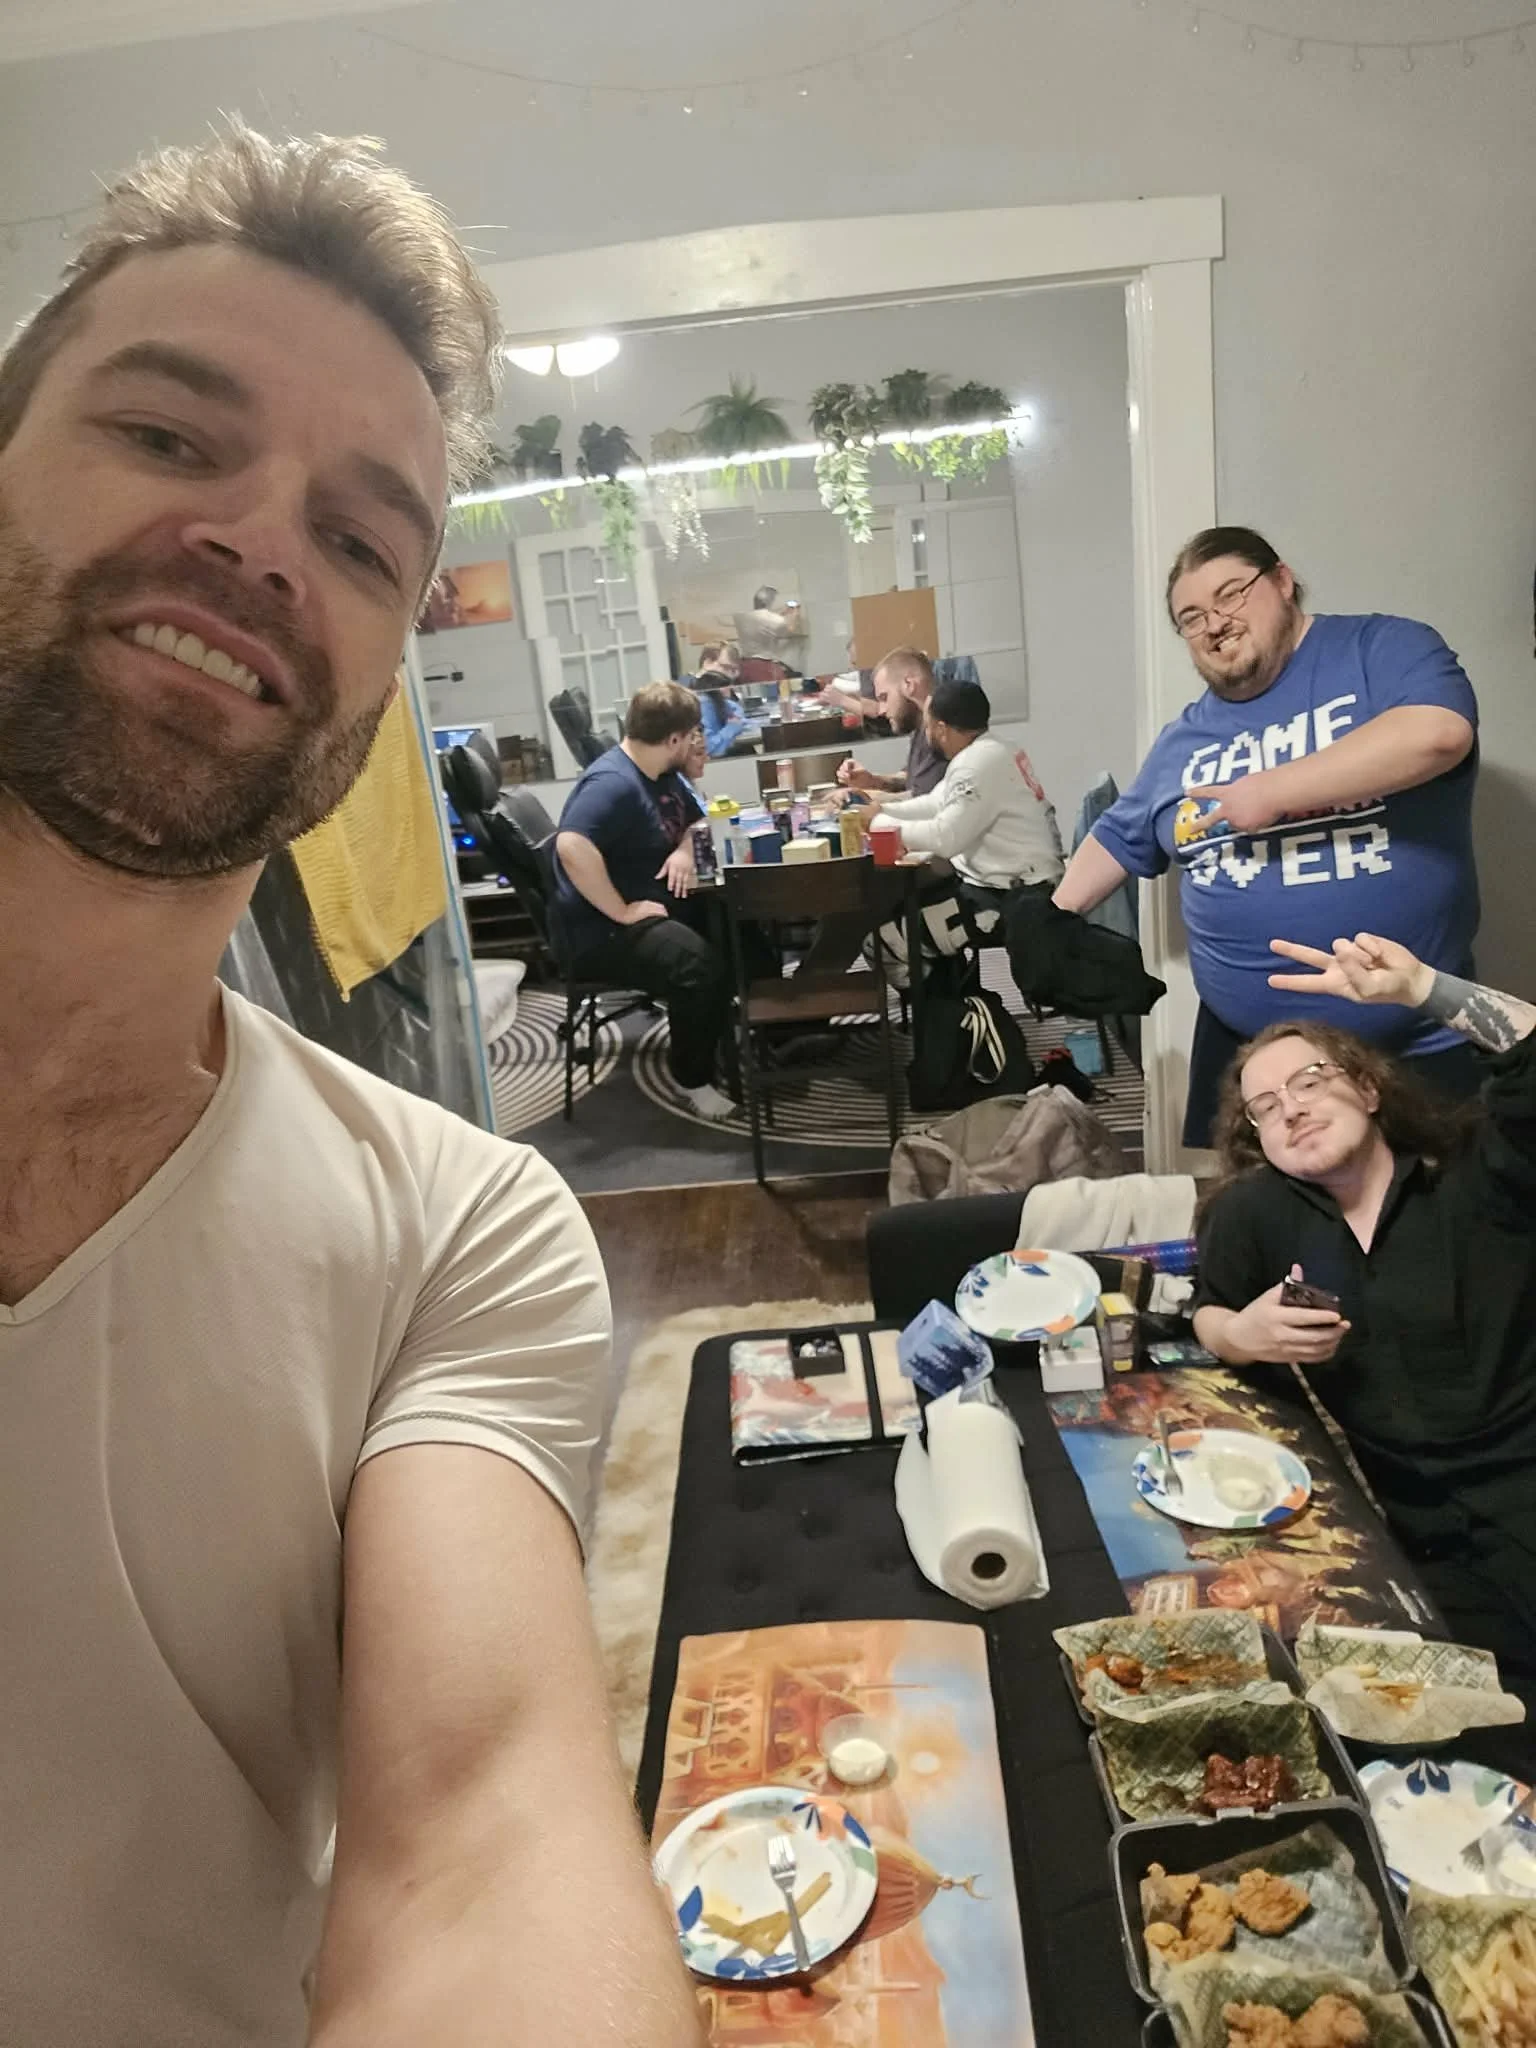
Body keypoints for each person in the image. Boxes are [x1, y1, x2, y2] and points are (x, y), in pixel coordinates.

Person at [0, 123, 704, 2048]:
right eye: (166, 436)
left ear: (385, 674)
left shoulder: (458, 1235)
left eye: (361, 535)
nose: (256, 540)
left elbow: (482, 1842)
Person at [1192, 929, 1536, 1712]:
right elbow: (1205, 1312)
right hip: (1416, 1534)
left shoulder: (1483, 1172)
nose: (1292, 1111)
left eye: (1310, 1081)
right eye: (1266, 1108)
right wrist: (1239, 1335)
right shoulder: (1253, 1215)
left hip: (1526, 1480)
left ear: (1370, 1090)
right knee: (1481, 1725)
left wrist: (1425, 989)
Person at [1051, 526, 1481, 1146]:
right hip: (1246, 1056)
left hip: (1411, 1042)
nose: (1214, 623)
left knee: (1440, 1227)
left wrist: (1273, 792)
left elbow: (1438, 733)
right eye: (1191, 617)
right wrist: (1051, 918)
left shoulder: (1380, 648)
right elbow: (1122, 834)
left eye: (1231, 595)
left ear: (1281, 581)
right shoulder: (1184, 739)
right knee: (1239, 1230)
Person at [553, 680, 740, 1120]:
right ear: (673, 739)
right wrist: (621, 910)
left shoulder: (662, 775)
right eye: (692, 734)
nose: (697, 741)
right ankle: (690, 1078)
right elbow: (571, 846)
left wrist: (681, 849)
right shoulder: (613, 783)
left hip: (654, 908)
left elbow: (698, 822)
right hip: (603, 933)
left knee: (743, 933)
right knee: (698, 967)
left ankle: (752, 1038)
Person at [836, 645, 945, 801]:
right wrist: (872, 781)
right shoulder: (920, 728)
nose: (881, 710)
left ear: (909, 684)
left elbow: (922, 801)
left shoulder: (941, 732)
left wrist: (859, 796)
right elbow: (910, 779)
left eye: (884, 698)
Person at [690, 639, 760, 757]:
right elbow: (708, 748)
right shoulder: (695, 696)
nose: (731, 675)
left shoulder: (718, 690)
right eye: (726, 668)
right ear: (707, 663)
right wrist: (732, 727)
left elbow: (736, 717)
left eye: (734, 670)